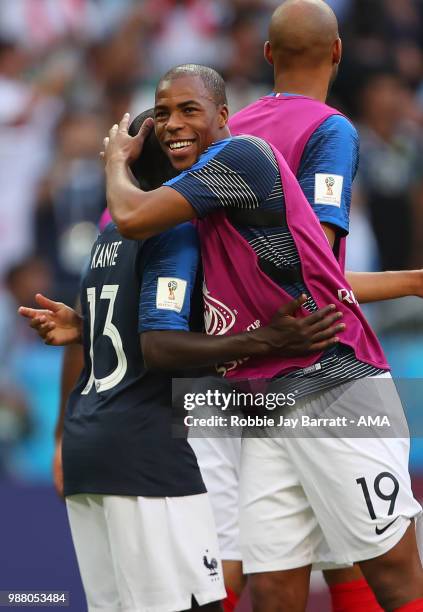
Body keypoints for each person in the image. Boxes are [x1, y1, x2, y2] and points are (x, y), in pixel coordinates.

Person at [101, 65, 423, 612]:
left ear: (223, 116)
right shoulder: (204, 203)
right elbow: (315, 275)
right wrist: (414, 282)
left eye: (188, 110)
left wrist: (114, 158)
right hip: (263, 405)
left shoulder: (240, 158)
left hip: (334, 390)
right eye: (161, 113)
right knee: (273, 585)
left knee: (389, 571)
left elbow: (129, 217)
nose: (172, 124)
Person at [20, 108, 346, 612]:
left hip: (91, 445)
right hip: (146, 453)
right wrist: (264, 341)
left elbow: (123, 326)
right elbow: (159, 345)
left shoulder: (106, 237)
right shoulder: (175, 233)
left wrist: (83, 328)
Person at [200, 1, 423, 608]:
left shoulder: (230, 133)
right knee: (395, 564)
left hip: (255, 384)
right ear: (338, 52)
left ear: (268, 55)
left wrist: (408, 280)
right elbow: (314, 262)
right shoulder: (332, 129)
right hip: (331, 372)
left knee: (280, 577)